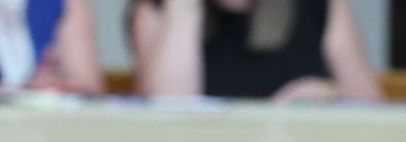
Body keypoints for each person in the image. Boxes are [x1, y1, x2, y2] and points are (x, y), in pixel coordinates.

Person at [129, 0, 382, 101]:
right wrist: (183, 8)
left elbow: (372, 110)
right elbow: (166, 116)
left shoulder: (320, 4)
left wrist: (330, 93)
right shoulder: (157, 10)